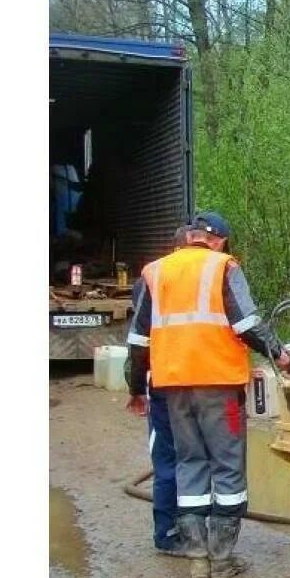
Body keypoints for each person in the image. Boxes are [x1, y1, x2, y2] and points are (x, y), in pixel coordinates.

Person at [125, 211, 290, 578]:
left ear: (187, 238)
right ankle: (222, 560)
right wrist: (280, 355)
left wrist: (137, 388)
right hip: (218, 385)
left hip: (172, 388)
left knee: (190, 463)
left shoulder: (155, 271)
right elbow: (246, 324)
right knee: (227, 465)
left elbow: (139, 340)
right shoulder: (223, 267)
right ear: (216, 240)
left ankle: (198, 557)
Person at [126, 226, 191, 557]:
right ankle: (182, 531)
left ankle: (170, 532)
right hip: (200, 383)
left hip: (163, 382)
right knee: (194, 459)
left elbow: (138, 341)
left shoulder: (150, 279)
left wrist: (136, 387)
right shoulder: (209, 275)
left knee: (167, 459)